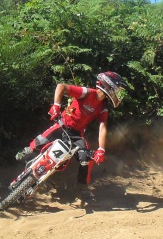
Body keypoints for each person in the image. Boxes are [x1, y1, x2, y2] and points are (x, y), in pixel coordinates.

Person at [15, 71, 127, 201]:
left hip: (76, 134)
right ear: (109, 85)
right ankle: (26, 151)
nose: (117, 92)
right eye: (117, 88)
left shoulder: (103, 108)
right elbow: (61, 86)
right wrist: (56, 106)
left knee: (85, 158)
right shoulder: (87, 92)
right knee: (40, 142)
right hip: (62, 124)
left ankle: (82, 188)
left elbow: (102, 128)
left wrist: (101, 149)